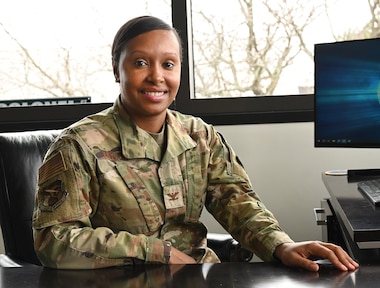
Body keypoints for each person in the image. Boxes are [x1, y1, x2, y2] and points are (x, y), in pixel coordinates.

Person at [32, 16, 358, 272]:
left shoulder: (200, 137)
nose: (157, 76)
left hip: (199, 276)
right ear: (117, 69)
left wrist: (281, 245)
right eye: (140, 62)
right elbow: (54, 240)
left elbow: (239, 205)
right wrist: (157, 253)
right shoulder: (78, 145)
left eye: (168, 64)